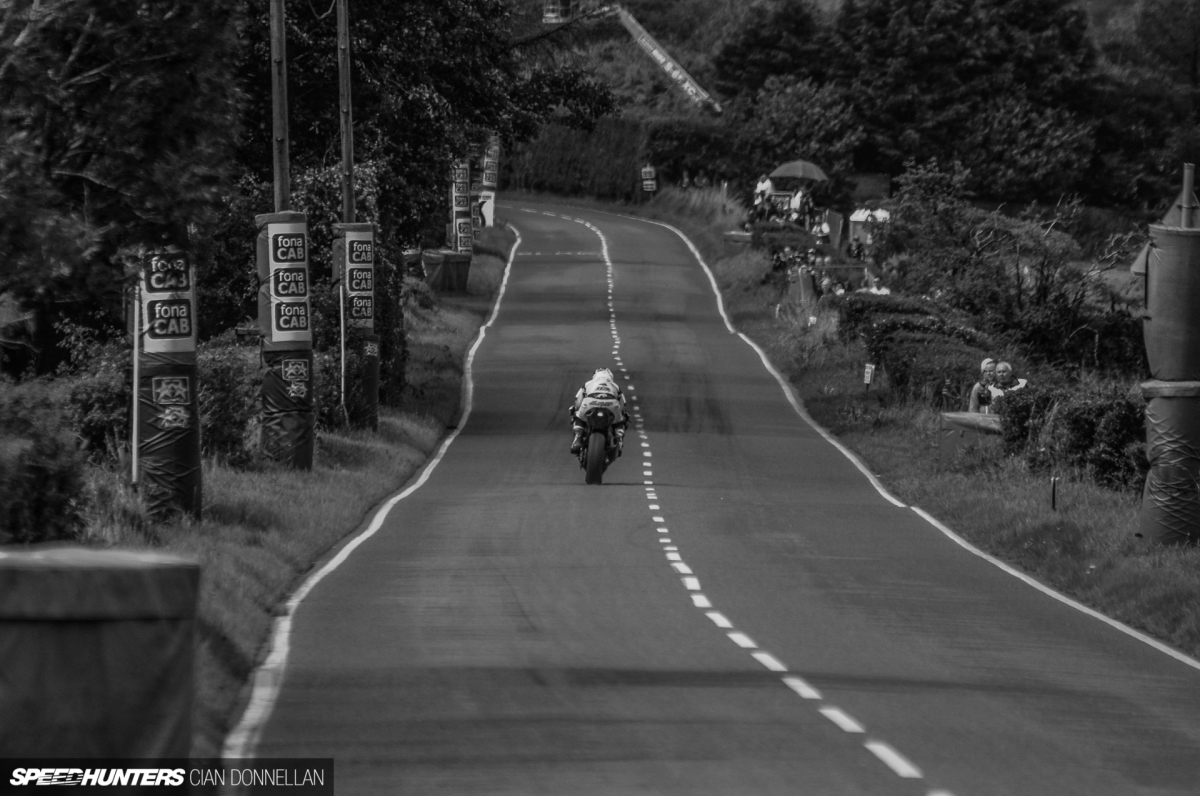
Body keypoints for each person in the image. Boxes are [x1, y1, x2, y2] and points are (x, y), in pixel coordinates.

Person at [569, 368, 629, 453]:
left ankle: (578, 437)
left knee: (578, 417)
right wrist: (623, 415)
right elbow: (623, 404)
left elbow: (578, 401)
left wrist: (575, 409)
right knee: (619, 422)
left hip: (590, 403)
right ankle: (619, 440)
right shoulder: (615, 386)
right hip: (611, 405)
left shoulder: (588, 384)